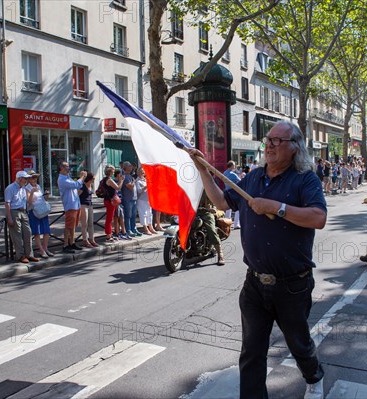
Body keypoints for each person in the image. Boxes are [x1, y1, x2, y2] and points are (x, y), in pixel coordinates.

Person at [189, 120, 327, 399]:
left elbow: (318, 218)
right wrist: (203, 170)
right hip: (254, 284)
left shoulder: (304, 179)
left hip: (292, 285)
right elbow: (221, 202)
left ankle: (314, 377)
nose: (270, 146)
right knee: (251, 352)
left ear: (294, 147)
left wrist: (278, 208)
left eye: (278, 141)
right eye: (268, 140)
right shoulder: (252, 178)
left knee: (299, 344)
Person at [5, 170, 39, 263]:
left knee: (27, 232)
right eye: (25, 179)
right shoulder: (10, 188)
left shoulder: (23, 188)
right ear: (20, 179)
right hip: (14, 211)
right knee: (17, 234)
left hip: (23, 211)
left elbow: (27, 201)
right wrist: (9, 217)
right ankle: (20, 255)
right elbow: (7, 203)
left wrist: (32, 192)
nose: (27, 180)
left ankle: (29, 254)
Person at [57, 161, 87, 253]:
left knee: (73, 225)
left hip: (75, 204)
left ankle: (72, 242)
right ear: (61, 168)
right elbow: (75, 185)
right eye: (66, 166)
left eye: (68, 166)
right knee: (68, 226)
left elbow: (78, 186)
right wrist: (82, 177)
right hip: (70, 205)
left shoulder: (67, 177)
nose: (68, 168)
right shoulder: (62, 179)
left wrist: (81, 179)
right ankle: (65, 244)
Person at [25, 171, 54, 257]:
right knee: (37, 232)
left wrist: (46, 195)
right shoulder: (27, 188)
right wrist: (32, 192)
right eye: (33, 177)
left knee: (46, 231)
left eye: (36, 177)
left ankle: (45, 248)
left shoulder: (38, 186)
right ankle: (41, 250)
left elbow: (43, 199)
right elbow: (29, 202)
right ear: (29, 179)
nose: (35, 179)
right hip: (34, 211)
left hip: (43, 210)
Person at [101, 165, 125, 242]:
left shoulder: (105, 179)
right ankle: (108, 235)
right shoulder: (109, 180)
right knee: (109, 218)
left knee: (110, 218)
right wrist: (121, 181)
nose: (114, 172)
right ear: (110, 171)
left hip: (108, 200)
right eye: (113, 170)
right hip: (110, 201)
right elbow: (118, 187)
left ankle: (110, 234)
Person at [121, 161, 141, 238]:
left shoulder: (130, 176)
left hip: (134, 198)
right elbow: (130, 186)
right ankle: (128, 229)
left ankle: (134, 228)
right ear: (126, 167)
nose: (131, 167)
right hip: (127, 199)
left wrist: (133, 181)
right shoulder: (125, 177)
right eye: (129, 166)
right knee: (128, 215)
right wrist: (133, 181)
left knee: (133, 215)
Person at [79, 172, 98, 248]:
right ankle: (85, 240)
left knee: (91, 223)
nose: (94, 179)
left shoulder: (91, 185)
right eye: (93, 178)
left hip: (90, 205)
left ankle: (92, 239)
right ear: (89, 178)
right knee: (84, 224)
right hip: (83, 205)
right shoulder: (83, 186)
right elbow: (77, 195)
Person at [136, 167, 158, 235]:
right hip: (141, 200)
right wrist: (146, 187)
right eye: (141, 171)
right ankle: (145, 228)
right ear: (138, 172)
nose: (143, 172)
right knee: (143, 214)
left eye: (143, 171)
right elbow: (139, 191)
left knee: (149, 213)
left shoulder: (145, 180)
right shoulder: (138, 181)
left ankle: (151, 227)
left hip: (148, 199)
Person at [223, 161, 242, 228]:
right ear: (231, 166)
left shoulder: (224, 173)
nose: (234, 167)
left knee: (228, 208)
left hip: (226, 191)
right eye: (234, 165)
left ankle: (226, 223)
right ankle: (236, 224)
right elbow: (240, 181)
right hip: (233, 192)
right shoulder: (233, 174)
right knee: (237, 208)